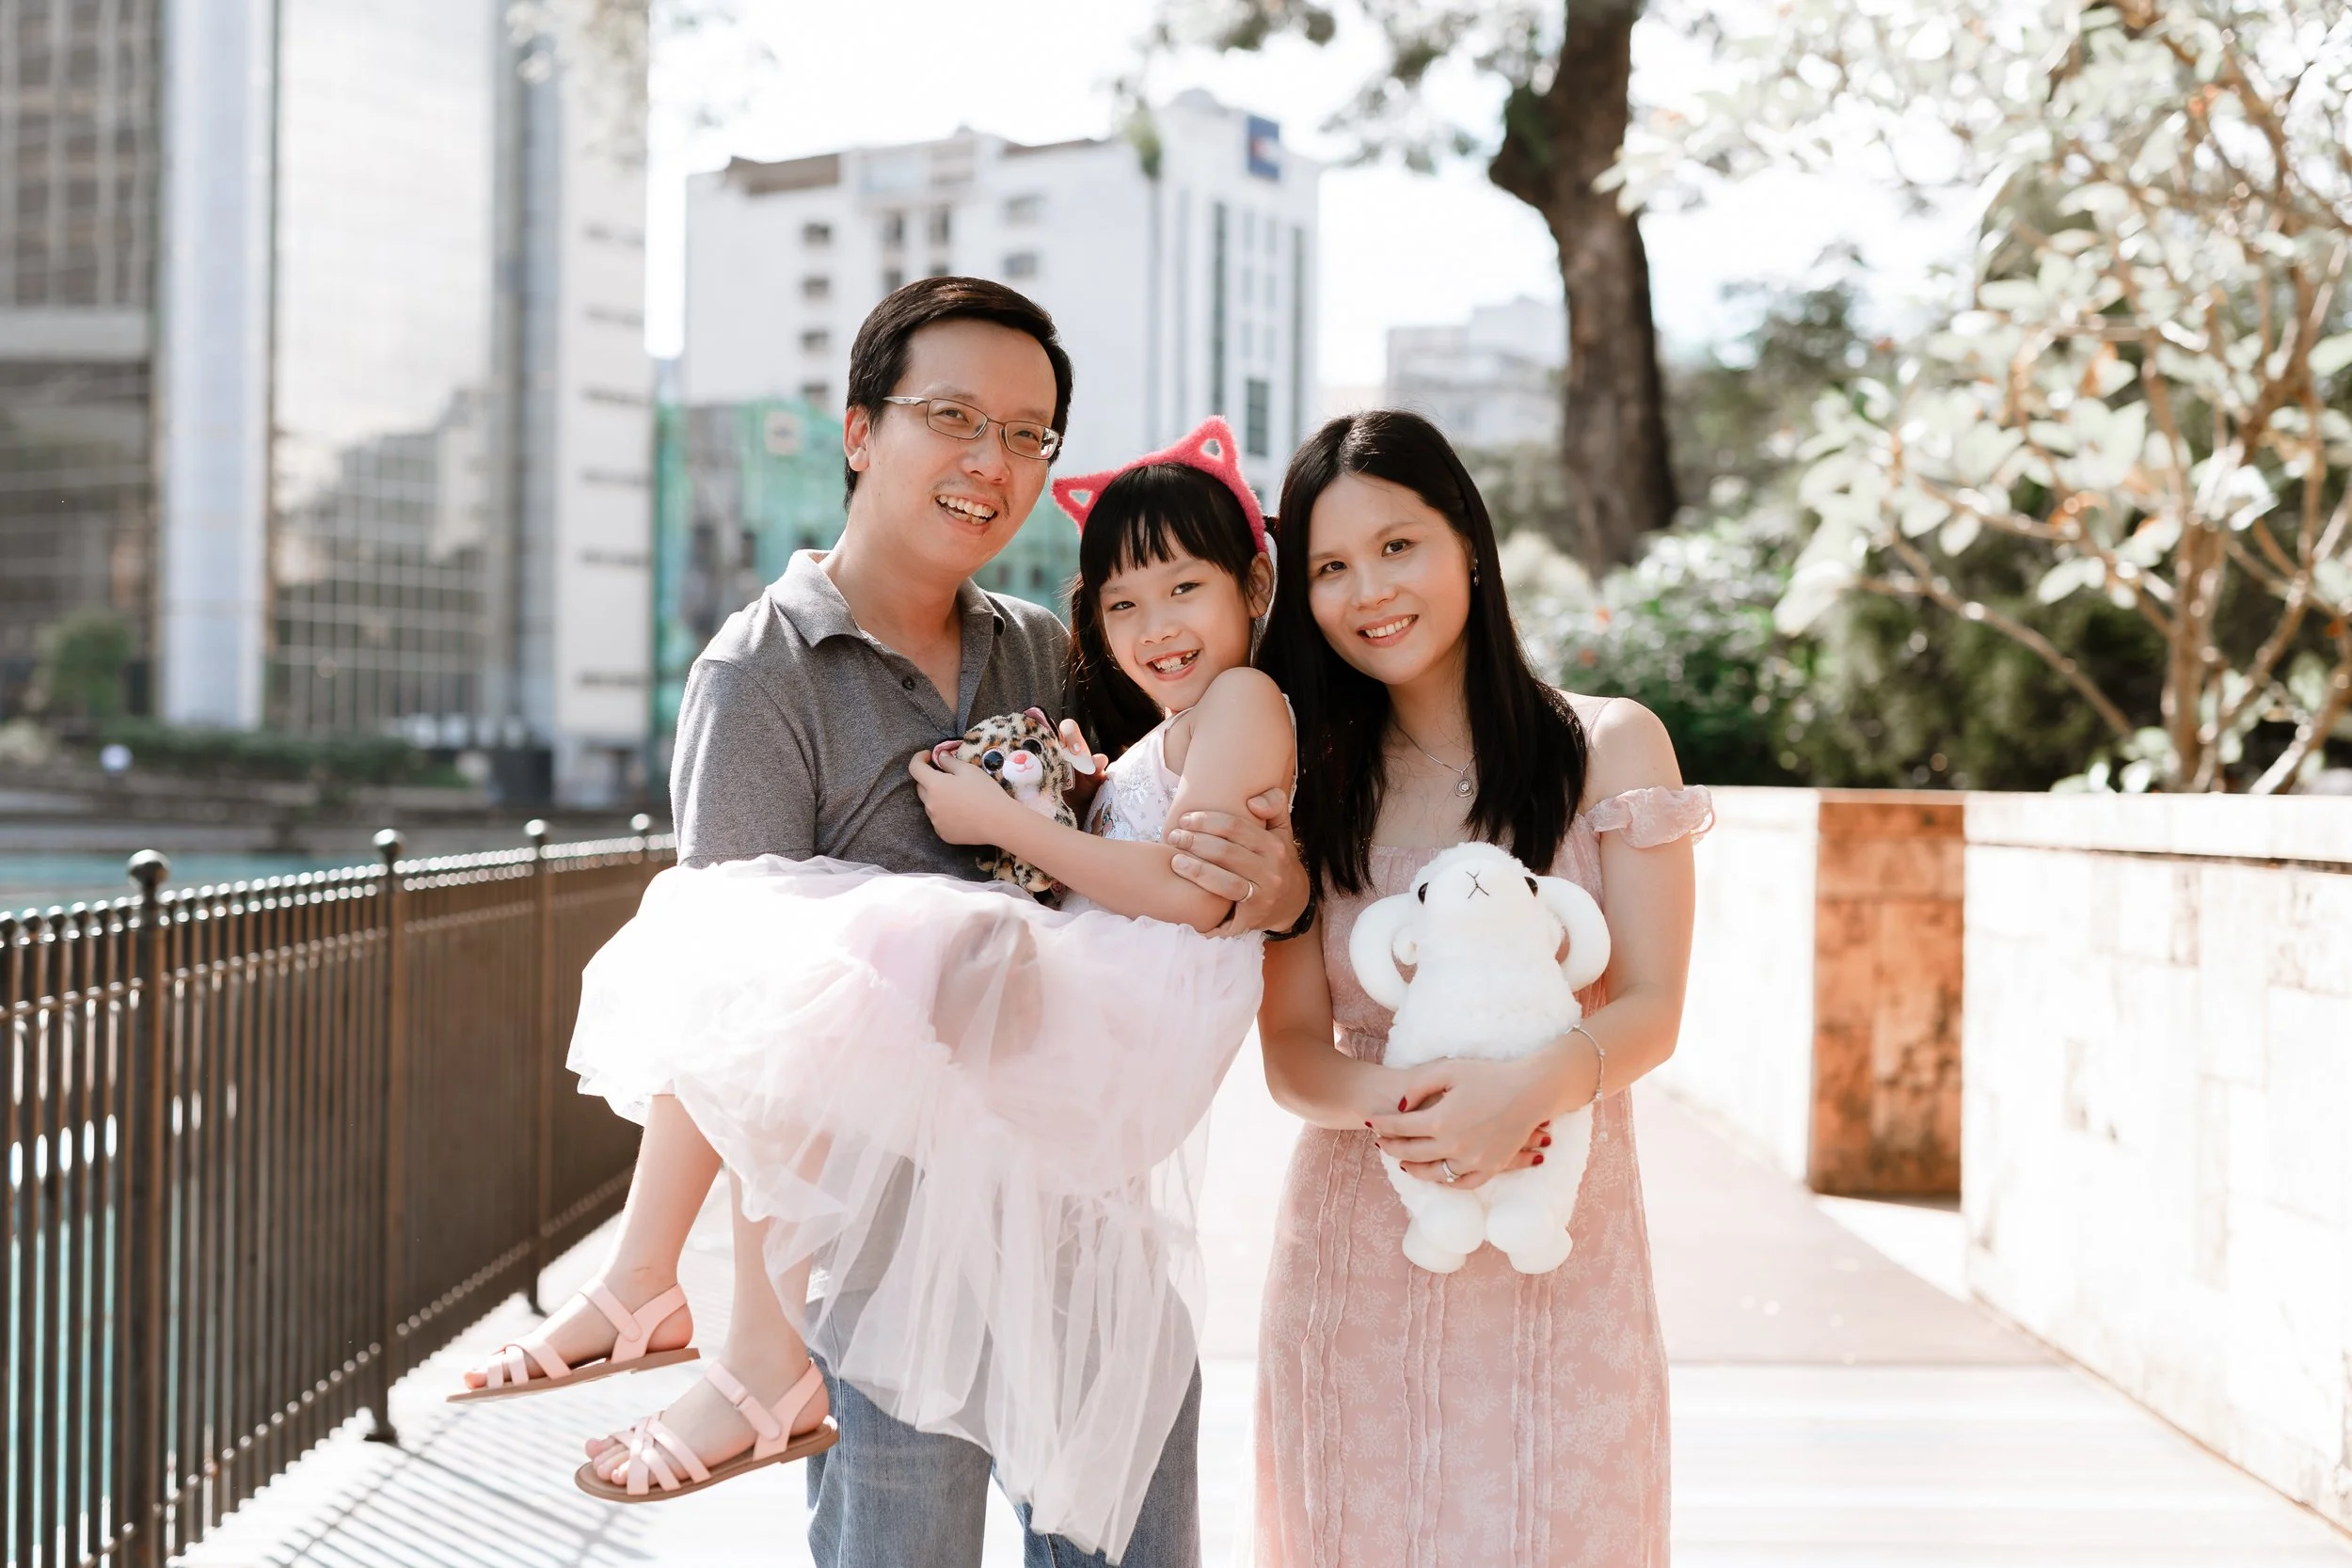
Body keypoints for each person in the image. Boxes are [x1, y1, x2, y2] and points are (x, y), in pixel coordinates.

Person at [453, 278, 1306, 1565]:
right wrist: (768, 1318)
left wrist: (1277, 882)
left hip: (1082, 1221)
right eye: (954, 416)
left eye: (1029, 434)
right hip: (882, 1266)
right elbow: (738, 1022)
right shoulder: (761, 673)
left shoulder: (1045, 645)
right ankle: (674, 1309)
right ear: (859, 430)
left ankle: (649, 1296)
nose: (992, 462)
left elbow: (1176, 839)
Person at [1227, 410, 1710, 1566]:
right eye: (1330, 568)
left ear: (1469, 544)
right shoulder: (1306, 783)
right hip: (1361, 1262)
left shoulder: (1612, 750)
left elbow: (1651, 1002)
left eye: (1397, 546)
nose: (1367, 591)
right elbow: (1293, 1050)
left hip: (1565, 1251)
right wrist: (1427, 1113)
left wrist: (1530, 1090)